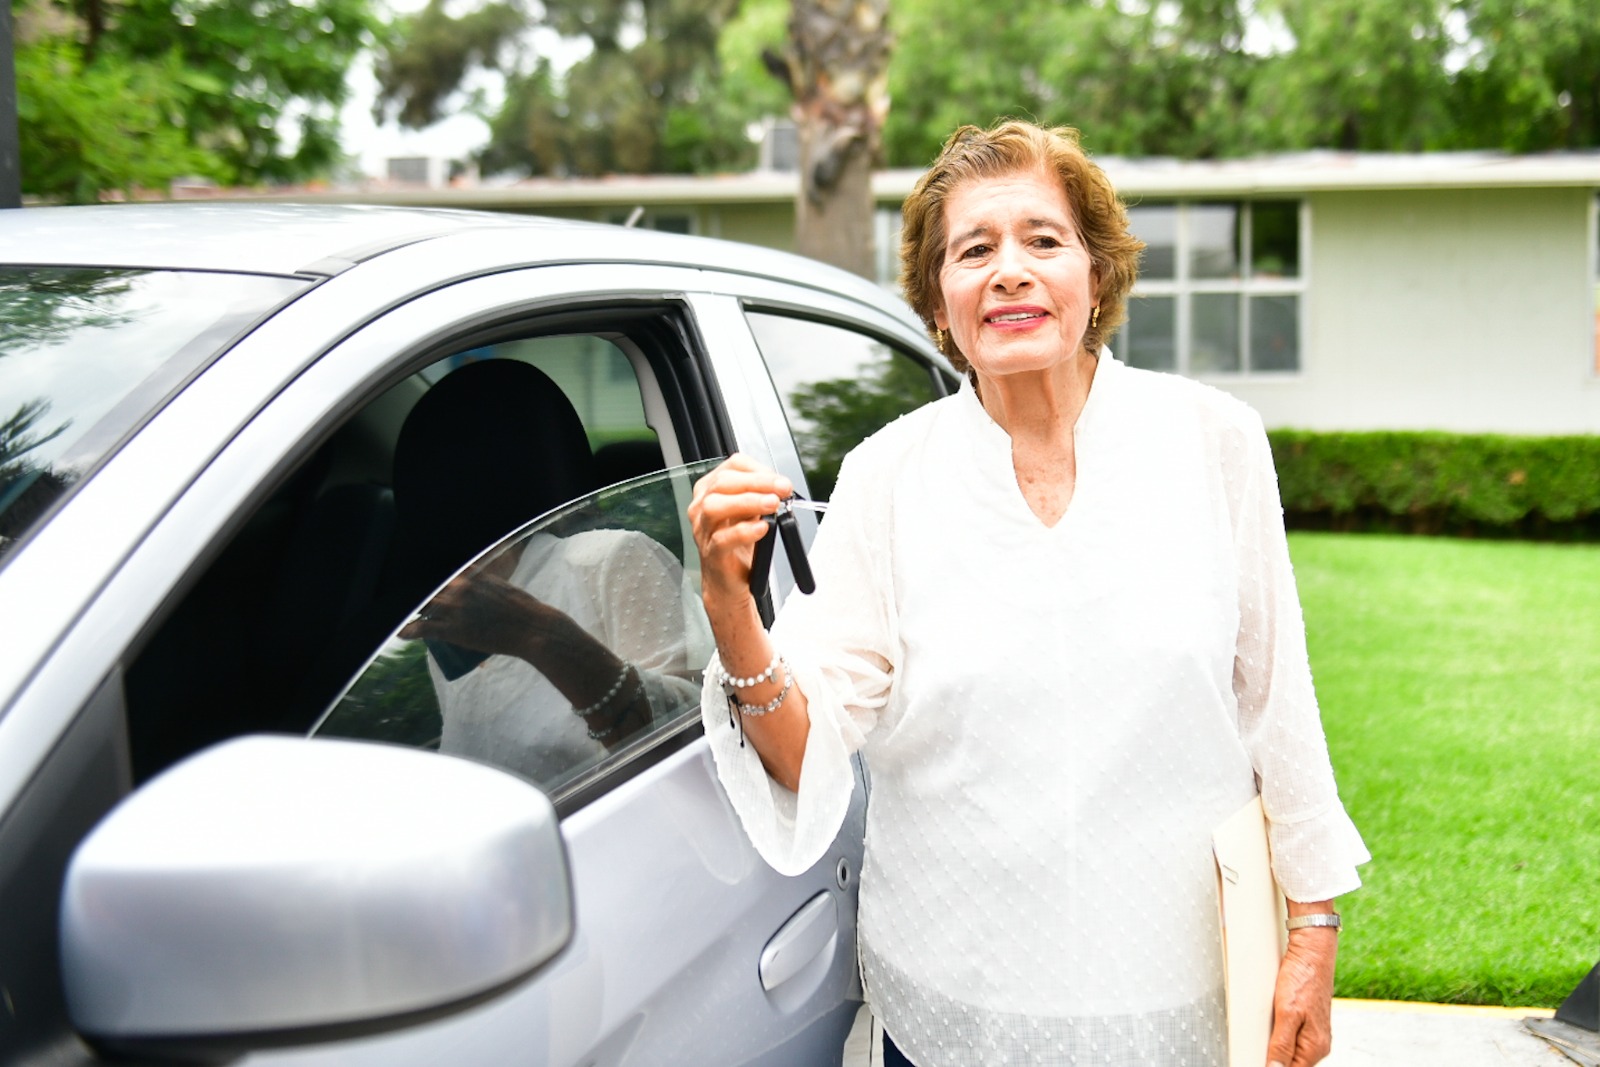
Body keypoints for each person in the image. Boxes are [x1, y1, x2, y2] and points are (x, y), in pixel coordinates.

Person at [688, 120, 1369, 1067]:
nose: (1009, 271)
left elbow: (1277, 702)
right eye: (974, 250)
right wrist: (729, 605)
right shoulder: (886, 475)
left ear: (1097, 277)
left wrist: (1314, 926)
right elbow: (808, 747)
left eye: (1043, 240)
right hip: (956, 1004)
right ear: (939, 301)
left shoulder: (1213, 440)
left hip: (1175, 998)